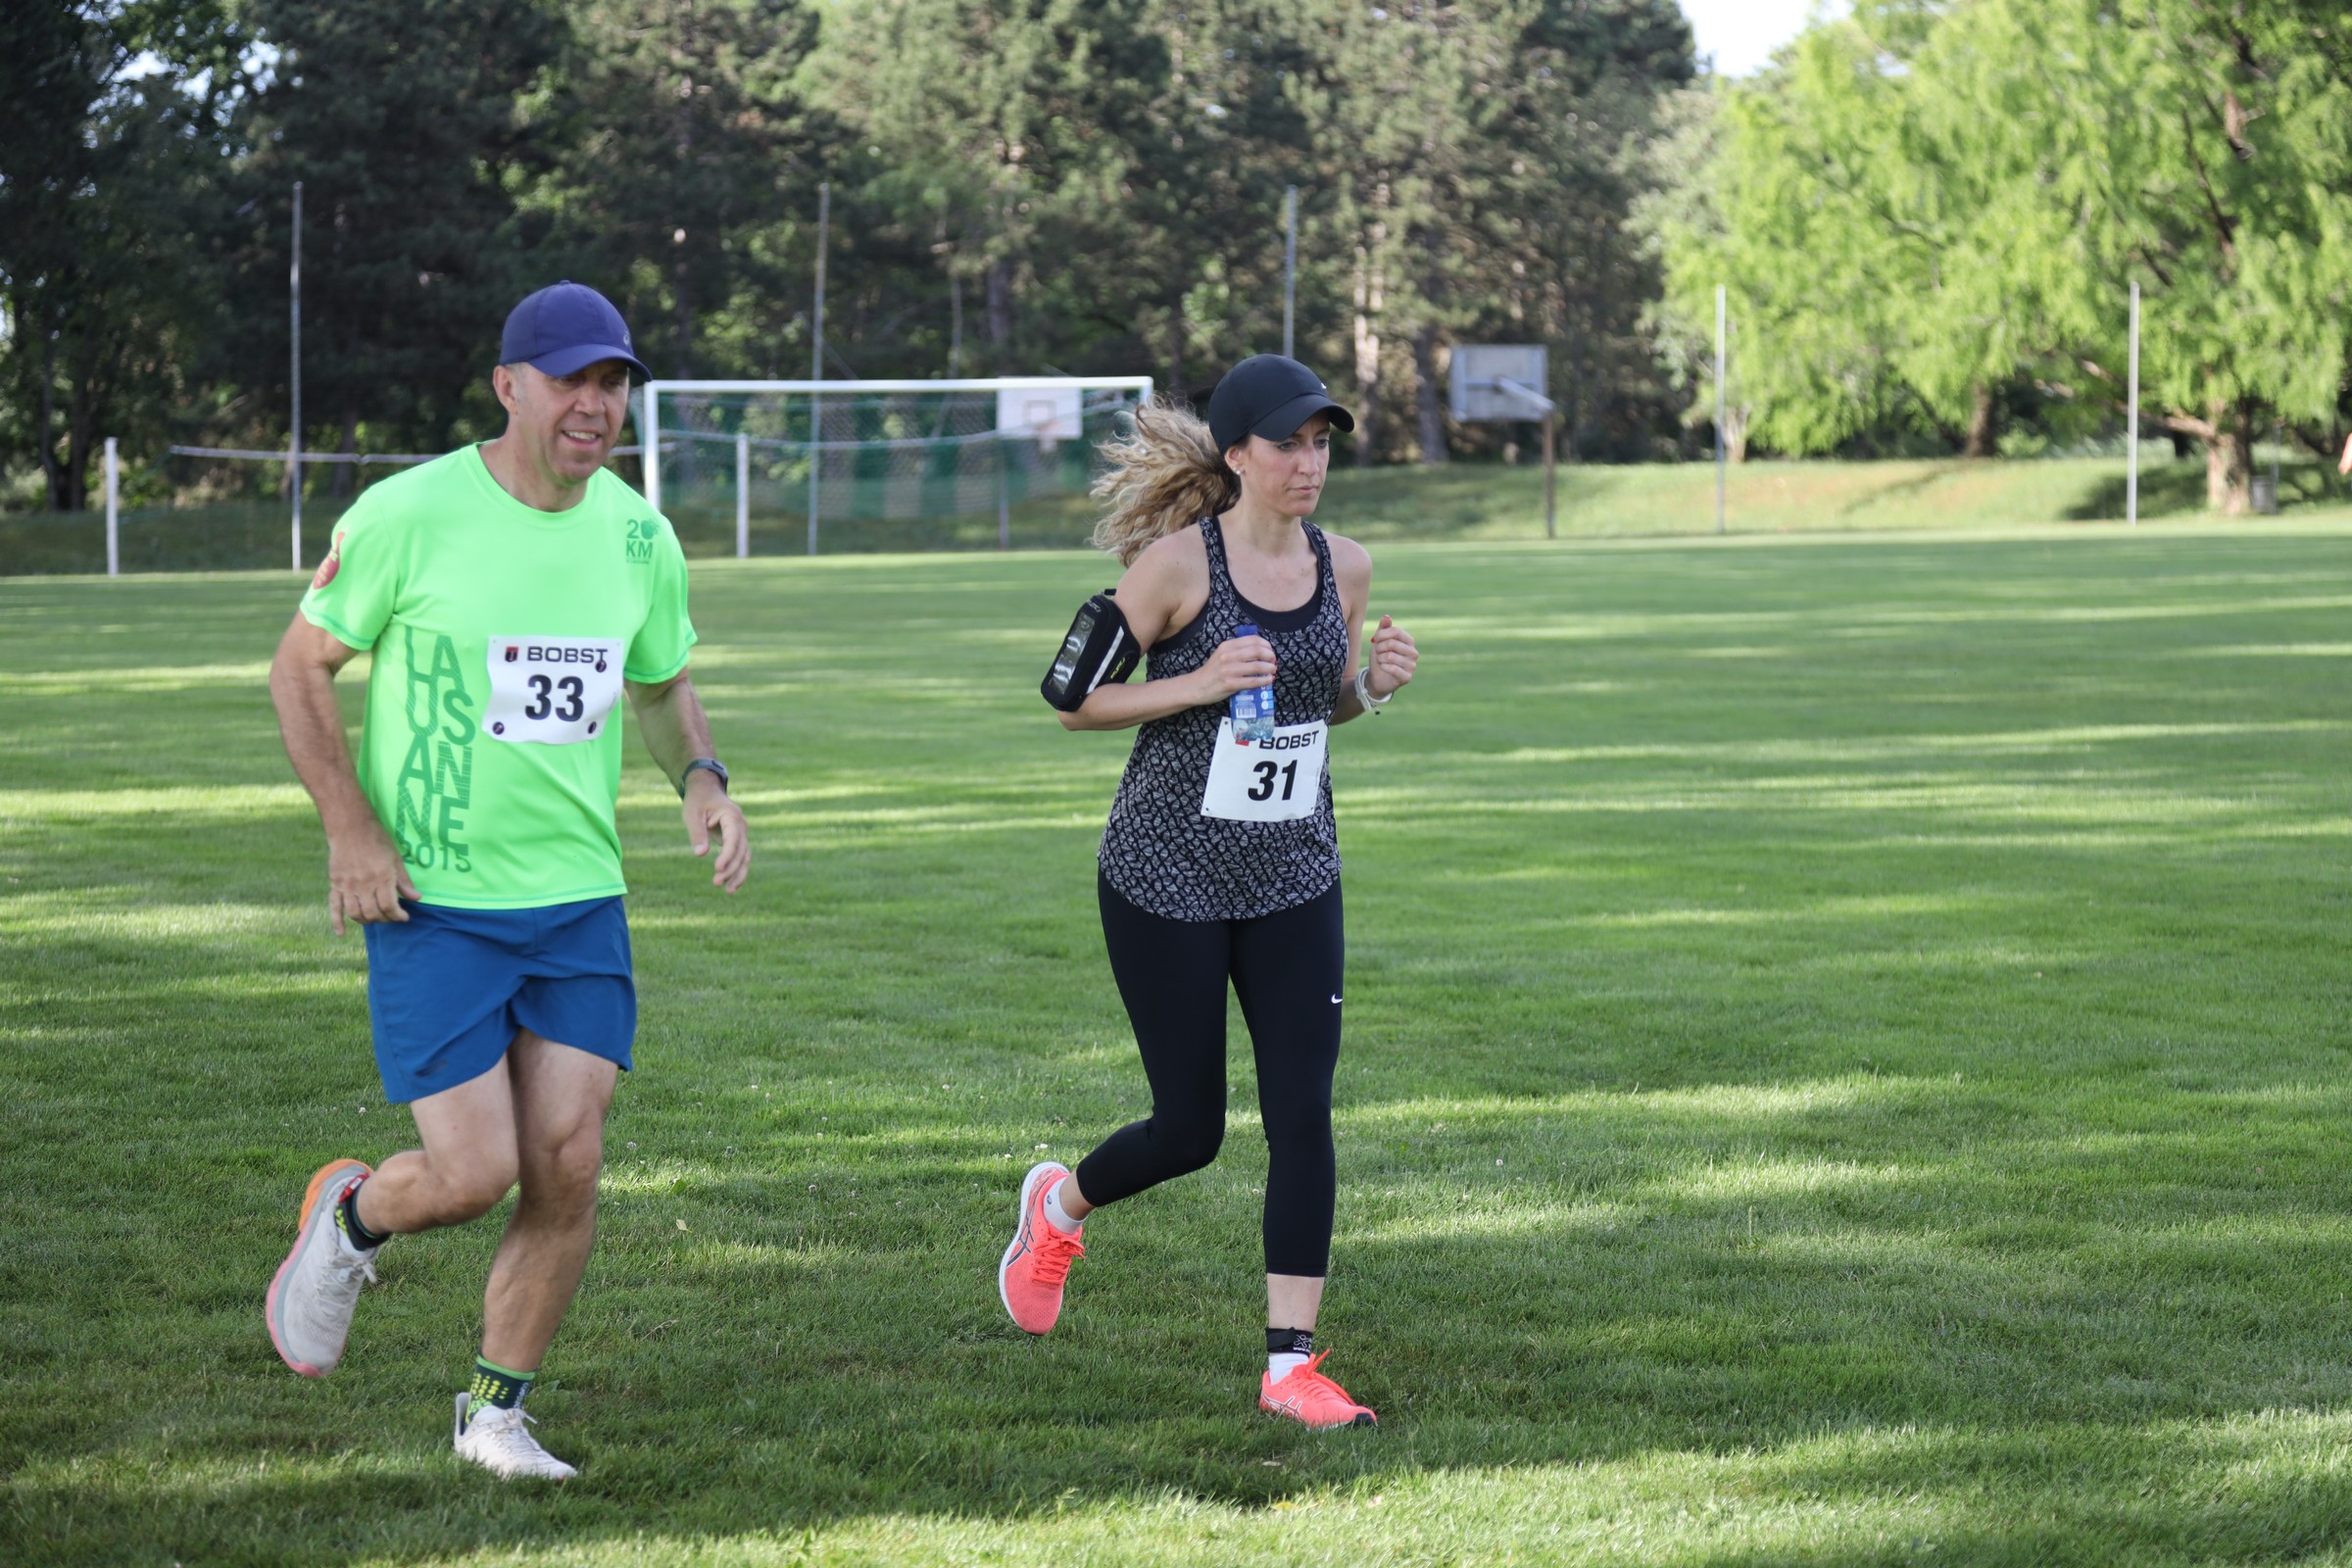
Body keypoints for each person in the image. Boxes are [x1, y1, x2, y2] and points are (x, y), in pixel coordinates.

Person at [264, 280, 749, 1480]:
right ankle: (352, 1217)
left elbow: (657, 682)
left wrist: (701, 777)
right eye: (571, 380)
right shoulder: (409, 514)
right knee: (473, 1175)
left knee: (569, 1161)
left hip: (577, 898)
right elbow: (300, 666)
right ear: (509, 386)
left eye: (613, 383)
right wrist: (350, 829)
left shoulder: (638, 536)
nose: (595, 404)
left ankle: (495, 1414)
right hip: (434, 901)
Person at [1003, 355, 1419, 1428]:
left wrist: (1370, 688)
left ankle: (1290, 1369)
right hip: (1165, 876)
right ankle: (1058, 1206)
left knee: (1303, 1115)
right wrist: (1197, 681)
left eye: (1321, 444)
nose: (1309, 463)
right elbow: (1069, 698)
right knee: (1190, 1130)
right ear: (1237, 455)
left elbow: (1319, 702)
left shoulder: (1347, 566)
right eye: (1288, 444)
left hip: (1293, 874)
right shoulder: (1176, 567)